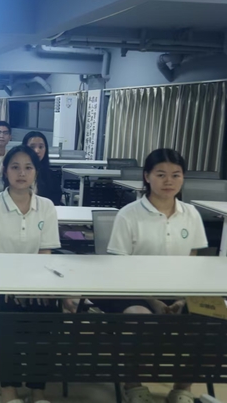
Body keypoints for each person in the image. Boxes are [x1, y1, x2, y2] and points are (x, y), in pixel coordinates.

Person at [99, 149, 207, 403]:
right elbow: (120, 269)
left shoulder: (191, 214)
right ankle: (133, 384)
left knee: (212, 317)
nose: (169, 181)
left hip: (179, 291)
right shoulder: (129, 214)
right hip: (131, 291)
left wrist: (182, 300)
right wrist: (153, 300)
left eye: (176, 175)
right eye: (161, 174)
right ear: (147, 176)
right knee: (141, 318)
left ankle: (182, 388)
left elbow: (194, 263)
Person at [0, 145, 61, 403]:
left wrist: (32, 287)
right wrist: (7, 286)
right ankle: (8, 390)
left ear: (36, 172)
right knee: (7, 316)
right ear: (5, 171)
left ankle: (37, 390)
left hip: (34, 285)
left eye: (28, 167)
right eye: (15, 167)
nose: (22, 173)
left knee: (46, 317)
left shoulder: (46, 207)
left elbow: (45, 254)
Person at [22, 131, 63, 205]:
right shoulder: (16, 173)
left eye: (41, 147)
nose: (37, 151)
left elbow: (55, 201)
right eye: (32, 147)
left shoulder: (51, 177)